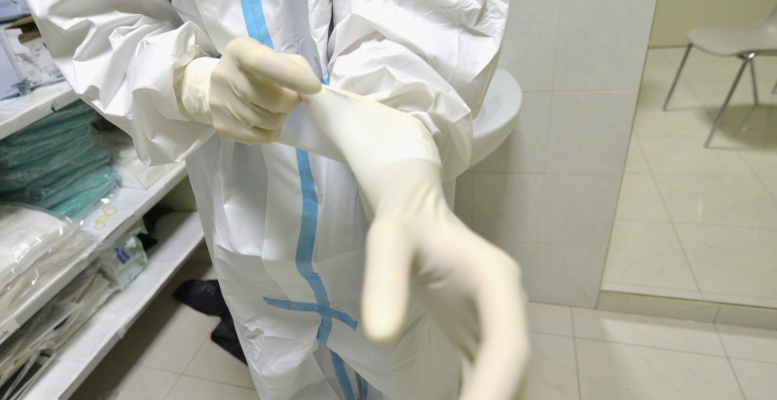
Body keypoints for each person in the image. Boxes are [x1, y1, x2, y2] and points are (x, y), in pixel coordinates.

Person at [27, 1, 528, 399]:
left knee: (413, 372)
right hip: (246, 221)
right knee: (283, 372)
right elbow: (89, 18)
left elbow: (430, 15)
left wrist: (401, 150)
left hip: (376, 226)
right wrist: (185, 80)